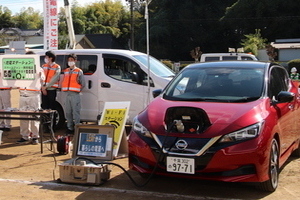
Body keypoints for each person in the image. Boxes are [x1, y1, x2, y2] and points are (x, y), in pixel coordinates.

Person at [16, 51, 45, 144]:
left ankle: (35, 136)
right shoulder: (20, 69)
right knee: (23, 117)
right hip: (23, 95)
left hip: (33, 95)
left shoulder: (39, 69)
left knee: (35, 116)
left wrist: (39, 75)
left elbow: (43, 79)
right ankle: (25, 136)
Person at [61, 54, 85, 133]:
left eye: (72, 60)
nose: (70, 61)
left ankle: (77, 128)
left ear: (75, 61)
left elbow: (83, 83)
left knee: (76, 112)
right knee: (68, 112)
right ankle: (69, 128)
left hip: (75, 94)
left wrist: (78, 90)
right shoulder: (66, 71)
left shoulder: (79, 71)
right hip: (67, 94)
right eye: (69, 60)